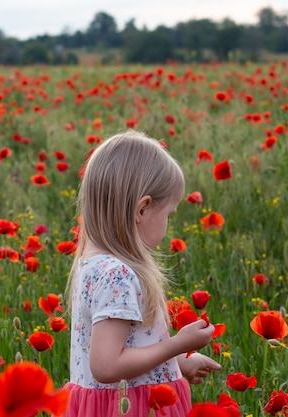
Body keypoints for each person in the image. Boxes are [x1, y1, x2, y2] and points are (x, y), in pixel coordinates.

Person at [63, 130, 221, 417]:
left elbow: (127, 351)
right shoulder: (117, 275)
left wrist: (176, 364)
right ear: (143, 208)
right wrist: (177, 345)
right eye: (168, 215)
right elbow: (107, 367)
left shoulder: (92, 264)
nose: (168, 224)